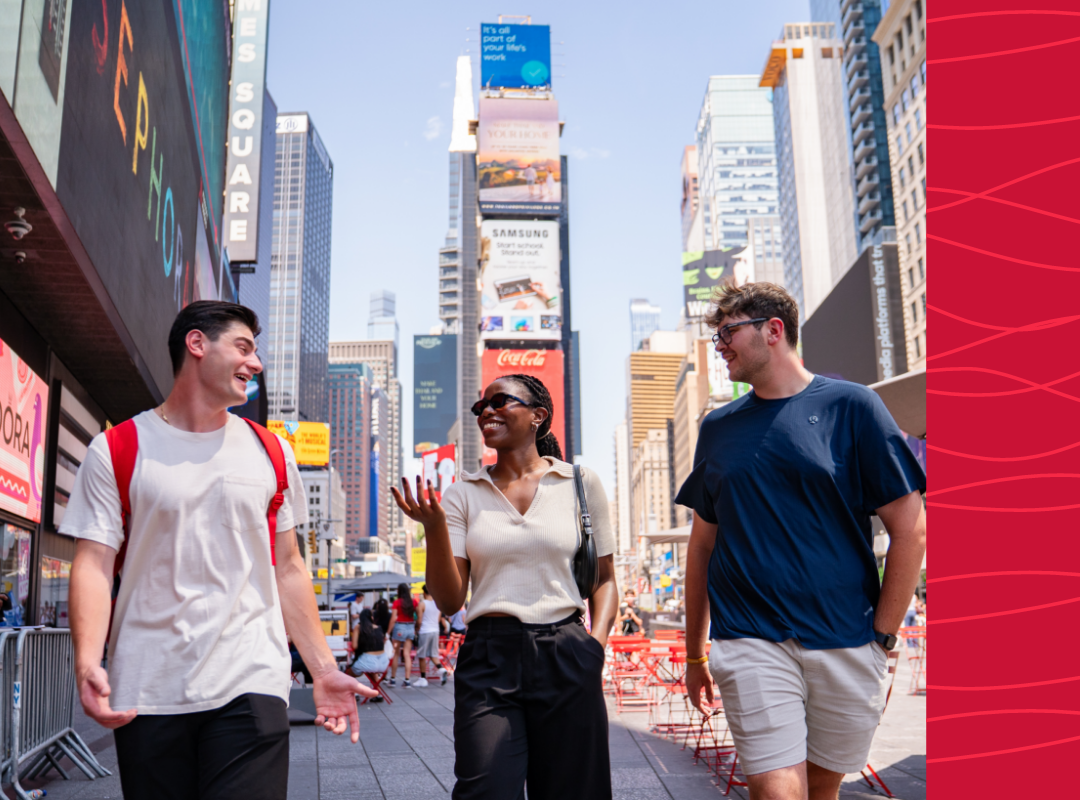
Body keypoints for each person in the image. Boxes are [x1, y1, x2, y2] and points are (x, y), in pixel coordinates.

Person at [63, 301, 375, 800]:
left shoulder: (271, 452)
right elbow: (94, 565)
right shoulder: (118, 448)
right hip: (147, 686)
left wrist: (323, 670)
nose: (256, 364)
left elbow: (289, 568)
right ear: (197, 344)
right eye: (244, 347)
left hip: (249, 678)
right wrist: (86, 662)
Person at [677, 283, 927, 800]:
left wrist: (882, 635)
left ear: (774, 331)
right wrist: (695, 654)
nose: (718, 344)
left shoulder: (854, 406)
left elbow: (910, 529)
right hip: (750, 639)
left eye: (728, 331)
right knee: (776, 792)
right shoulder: (717, 428)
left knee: (820, 791)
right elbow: (701, 547)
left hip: (848, 639)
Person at [393, 374, 619, 800]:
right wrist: (436, 528)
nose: (487, 411)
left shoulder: (580, 484)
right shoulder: (463, 493)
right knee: (485, 790)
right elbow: (448, 599)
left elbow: (605, 582)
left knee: (576, 791)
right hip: (488, 658)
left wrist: (596, 646)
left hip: (567, 651)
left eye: (500, 401)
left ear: (538, 416)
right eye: (481, 407)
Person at [348, 608, 389, 699]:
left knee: (347, 673)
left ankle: (355, 693)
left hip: (368, 661)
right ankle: (377, 693)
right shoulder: (379, 628)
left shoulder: (358, 627)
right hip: (384, 663)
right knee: (372, 670)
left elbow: (354, 645)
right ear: (371, 617)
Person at [416, 584, 448, 686]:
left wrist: (416, 629)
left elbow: (419, 620)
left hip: (425, 631)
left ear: (424, 593)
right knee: (433, 654)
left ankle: (423, 679)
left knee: (422, 656)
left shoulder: (422, 604)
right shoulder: (437, 604)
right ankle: (441, 669)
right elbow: (438, 619)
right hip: (435, 630)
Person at [387, 583, 417, 687]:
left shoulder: (397, 602)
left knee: (396, 653)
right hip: (410, 627)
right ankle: (407, 681)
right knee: (407, 654)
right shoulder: (414, 602)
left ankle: (393, 679)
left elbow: (393, 618)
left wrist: (388, 632)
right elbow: (418, 615)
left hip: (400, 627)